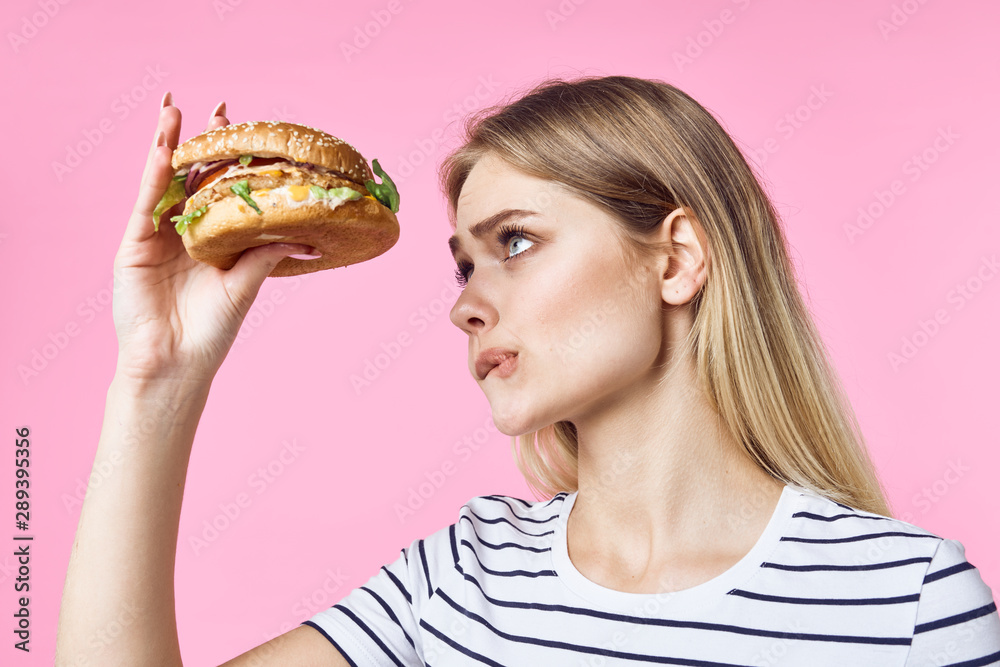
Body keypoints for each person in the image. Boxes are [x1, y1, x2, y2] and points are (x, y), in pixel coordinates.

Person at [55, 76, 999, 666]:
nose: (467, 302)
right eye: (464, 263)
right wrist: (158, 375)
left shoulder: (905, 602)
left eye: (516, 241)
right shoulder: (461, 578)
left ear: (676, 259)